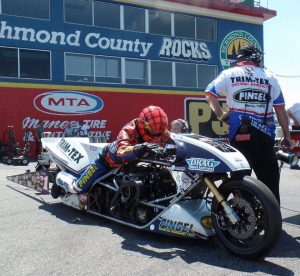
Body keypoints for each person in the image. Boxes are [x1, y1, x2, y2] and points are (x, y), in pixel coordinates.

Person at [205, 44, 291, 204]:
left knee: (241, 179)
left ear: (239, 58)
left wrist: (220, 115)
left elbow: (209, 93)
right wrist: (286, 136)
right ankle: (272, 217)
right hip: (265, 136)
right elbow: (280, 110)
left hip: (239, 135)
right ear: (257, 58)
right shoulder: (271, 77)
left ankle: (243, 216)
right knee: (270, 180)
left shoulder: (229, 73)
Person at [55, 106, 170, 197]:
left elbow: (173, 139)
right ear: (143, 124)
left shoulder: (159, 130)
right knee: (77, 188)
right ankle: (60, 178)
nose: (156, 133)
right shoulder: (129, 130)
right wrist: (139, 147)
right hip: (107, 161)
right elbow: (121, 150)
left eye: (159, 129)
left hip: (132, 164)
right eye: (152, 129)